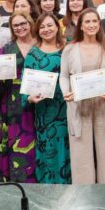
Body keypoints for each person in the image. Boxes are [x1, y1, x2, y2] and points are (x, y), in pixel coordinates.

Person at [62, 8, 105, 184]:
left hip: (103, 104)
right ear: (80, 26)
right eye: (87, 22)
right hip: (78, 105)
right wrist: (67, 93)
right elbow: (64, 76)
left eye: (95, 21)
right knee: (81, 154)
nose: (91, 25)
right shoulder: (70, 48)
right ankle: (83, 194)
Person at [23, 13, 71, 184]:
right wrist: (30, 99)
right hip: (45, 112)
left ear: (58, 27)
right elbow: (25, 87)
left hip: (67, 107)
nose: (46, 29)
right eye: (42, 27)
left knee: (68, 149)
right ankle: (49, 188)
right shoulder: (33, 54)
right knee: (48, 149)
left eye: (50, 25)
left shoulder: (69, 48)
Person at [0, 10, 38, 183]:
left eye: (23, 24)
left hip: (41, 101)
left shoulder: (41, 44)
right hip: (14, 104)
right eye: (15, 26)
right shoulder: (7, 48)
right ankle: (20, 181)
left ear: (30, 23)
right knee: (17, 142)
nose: (20, 28)